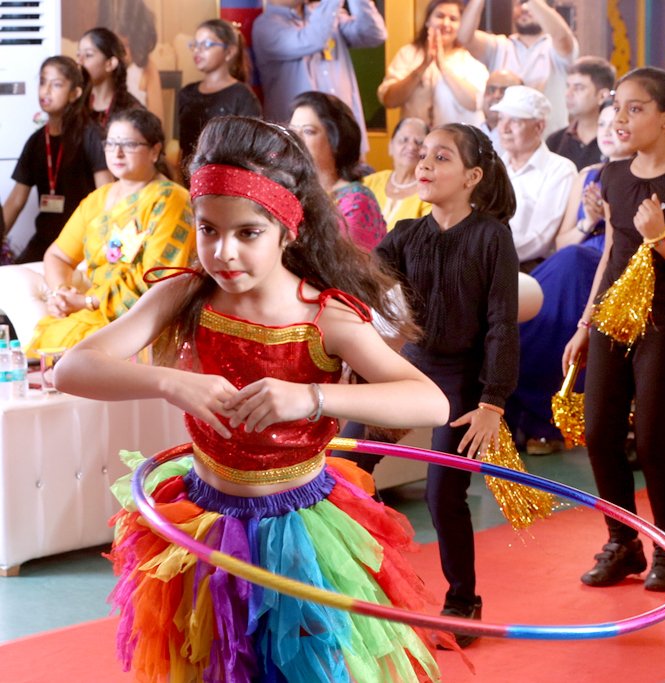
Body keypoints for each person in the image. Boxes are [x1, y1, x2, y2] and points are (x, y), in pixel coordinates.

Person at [52, 115, 450, 681]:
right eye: (207, 229)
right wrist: (171, 382)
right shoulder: (185, 294)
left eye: (247, 233)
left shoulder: (324, 316)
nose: (224, 252)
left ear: (288, 229)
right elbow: (72, 368)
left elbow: (431, 403)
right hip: (203, 519)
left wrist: (310, 397)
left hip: (300, 535)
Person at [562, 67, 665, 591]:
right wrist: (586, 324)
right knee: (600, 433)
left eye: (636, 108)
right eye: (618, 107)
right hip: (612, 320)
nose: (621, 118)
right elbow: (611, 252)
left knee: (651, 439)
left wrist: (661, 237)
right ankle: (622, 543)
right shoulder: (612, 175)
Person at [375, 122, 519, 647]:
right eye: (423, 154)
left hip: (462, 382)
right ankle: (355, 587)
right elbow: (358, 279)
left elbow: (502, 323)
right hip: (409, 372)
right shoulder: (407, 233)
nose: (424, 164)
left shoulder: (491, 236)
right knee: (347, 468)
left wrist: (491, 403)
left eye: (441, 157)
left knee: (442, 494)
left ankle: (463, 599)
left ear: (472, 177)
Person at [506, 96, 629, 454]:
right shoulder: (587, 173)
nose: (607, 131)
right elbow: (563, 241)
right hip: (576, 257)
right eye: (602, 125)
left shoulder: (641, 176)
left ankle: (545, 419)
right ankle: (519, 413)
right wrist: (589, 221)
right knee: (533, 315)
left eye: (615, 124)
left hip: (615, 263)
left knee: (569, 272)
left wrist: (609, 217)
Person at [28, 108, 194, 354]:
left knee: (73, 351)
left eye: (129, 144)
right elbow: (57, 256)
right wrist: (61, 293)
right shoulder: (97, 200)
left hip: (141, 323)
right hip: (94, 315)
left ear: (155, 150)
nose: (117, 152)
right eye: (111, 143)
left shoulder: (171, 199)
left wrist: (88, 301)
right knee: (49, 341)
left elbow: (159, 281)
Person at [2, 56, 112, 264]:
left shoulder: (90, 135)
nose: (46, 91)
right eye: (43, 82)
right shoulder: (36, 141)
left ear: (75, 93)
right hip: (45, 241)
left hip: (83, 243)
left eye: (56, 85)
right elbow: (16, 201)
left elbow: (106, 194)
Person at [252, 0, 387, 152]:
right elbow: (314, 39)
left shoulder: (328, 14)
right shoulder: (265, 26)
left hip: (343, 134)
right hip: (299, 146)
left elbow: (374, 34)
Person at [458, 0, 579, 136]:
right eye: (519, 3)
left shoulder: (554, 47)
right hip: (503, 141)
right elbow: (464, 37)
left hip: (548, 140)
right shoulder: (499, 46)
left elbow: (561, 37)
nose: (525, 8)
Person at [491, 85, 576, 268]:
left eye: (514, 121)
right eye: (501, 119)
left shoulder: (560, 170)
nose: (504, 128)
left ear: (539, 127)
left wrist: (487, 252)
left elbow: (540, 239)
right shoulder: (492, 168)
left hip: (528, 267)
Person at [290, 91, 386, 252]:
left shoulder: (357, 201)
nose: (296, 139)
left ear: (336, 140)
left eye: (308, 131)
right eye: (293, 131)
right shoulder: (292, 191)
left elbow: (344, 264)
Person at [377, 0, 489, 128]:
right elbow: (389, 101)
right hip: (416, 138)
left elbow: (475, 103)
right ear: (427, 21)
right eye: (440, 16)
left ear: (461, 25)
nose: (446, 23)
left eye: (453, 19)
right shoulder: (408, 53)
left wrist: (443, 68)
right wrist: (423, 66)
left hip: (457, 138)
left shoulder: (471, 58)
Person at [177, 19, 262, 178]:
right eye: (195, 44)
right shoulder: (186, 93)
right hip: (190, 178)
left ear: (229, 52)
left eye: (206, 44)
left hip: (228, 179)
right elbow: (181, 147)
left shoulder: (242, 95)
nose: (198, 50)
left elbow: (251, 151)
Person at [99, 0, 164, 124]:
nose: (121, 53)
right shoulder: (100, 67)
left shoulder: (147, 69)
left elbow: (158, 124)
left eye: (127, 45)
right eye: (115, 45)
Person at [546, 57, 616, 170]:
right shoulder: (555, 141)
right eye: (568, 86)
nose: (568, 94)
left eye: (579, 88)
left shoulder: (615, 140)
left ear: (602, 96)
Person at [363, 117, 433, 231]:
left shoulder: (430, 194)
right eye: (404, 140)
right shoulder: (369, 182)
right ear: (390, 146)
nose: (411, 147)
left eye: (419, 143)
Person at [76, 27, 143, 130]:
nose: (79, 62)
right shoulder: (76, 104)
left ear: (110, 64)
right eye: (78, 55)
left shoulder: (133, 111)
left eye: (88, 55)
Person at [480, 69, 523, 156]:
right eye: (491, 89)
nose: (496, 95)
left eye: (505, 91)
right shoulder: (468, 134)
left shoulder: (524, 142)